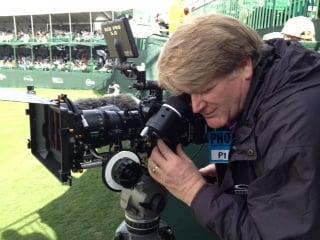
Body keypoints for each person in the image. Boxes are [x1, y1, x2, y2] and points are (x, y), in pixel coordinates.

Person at [147, 14, 320, 239]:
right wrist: (231, 174)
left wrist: (192, 188)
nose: (196, 106)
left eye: (205, 89)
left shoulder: (292, 123)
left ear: (243, 66)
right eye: (189, 93)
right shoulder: (264, 79)